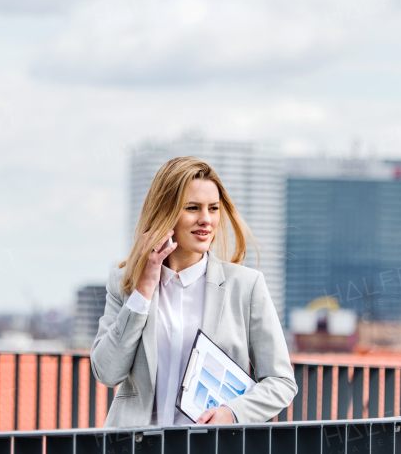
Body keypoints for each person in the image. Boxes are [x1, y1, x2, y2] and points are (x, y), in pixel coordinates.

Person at [90, 156, 297, 427]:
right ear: (165, 212)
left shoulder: (246, 286)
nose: (206, 220)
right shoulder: (124, 282)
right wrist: (143, 291)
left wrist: (233, 412)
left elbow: (281, 382)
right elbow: (107, 372)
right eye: (192, 208)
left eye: (213, 208)